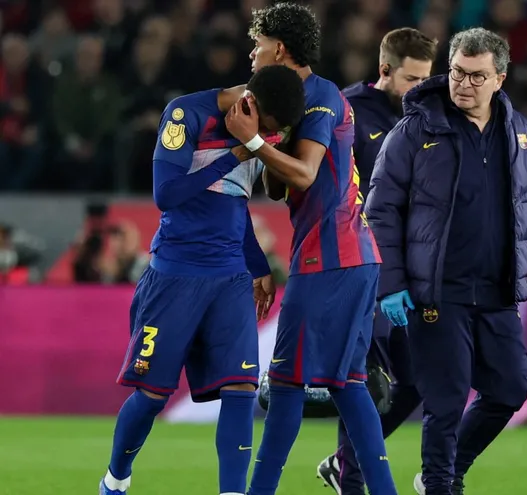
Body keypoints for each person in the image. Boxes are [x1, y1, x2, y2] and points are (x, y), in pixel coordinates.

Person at [365, 27, 527, 495]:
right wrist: (391, 283)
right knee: (446, 400)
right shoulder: (416, 128)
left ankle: (450, 469)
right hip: (436, 291)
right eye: (457, 72)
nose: (463, 84)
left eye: (476, 77)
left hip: (497, 290)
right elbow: (381, 209)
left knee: (510, 389)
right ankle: (439, 484)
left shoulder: (523, 134)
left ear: (500, 78)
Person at [99, 65, 306, 495]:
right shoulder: (185, 115)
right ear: (249, 102)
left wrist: (258, 265)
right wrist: (234, 155)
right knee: (152, 396)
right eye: (265, 127)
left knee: (241, 390)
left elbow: (235, 204)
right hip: (175, 274)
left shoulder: (257, 134)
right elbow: (165, 194)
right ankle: (116, 478)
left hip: (230, 277)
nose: (265, 136)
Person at [227, 3, 397, 495]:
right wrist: (271, 138)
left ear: (279, 49)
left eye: (257, 47)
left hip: (330, 255)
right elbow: (285, 188)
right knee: (349, 385)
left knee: (284, 384)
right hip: (348, 254)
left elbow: (302, 172)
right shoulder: (301, 99)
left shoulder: (319, 96)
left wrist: (255, 140)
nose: (252, 56)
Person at [317, 27, 437, 495]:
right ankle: (352, 483)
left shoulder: (431, 114)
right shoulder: (346, 111)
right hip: (354, 265)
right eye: (412, 79)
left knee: (417, 380)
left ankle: (343, 462)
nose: (421, 88)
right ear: (384, 70)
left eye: (427, 78)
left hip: (405, 271)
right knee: (362, 380)